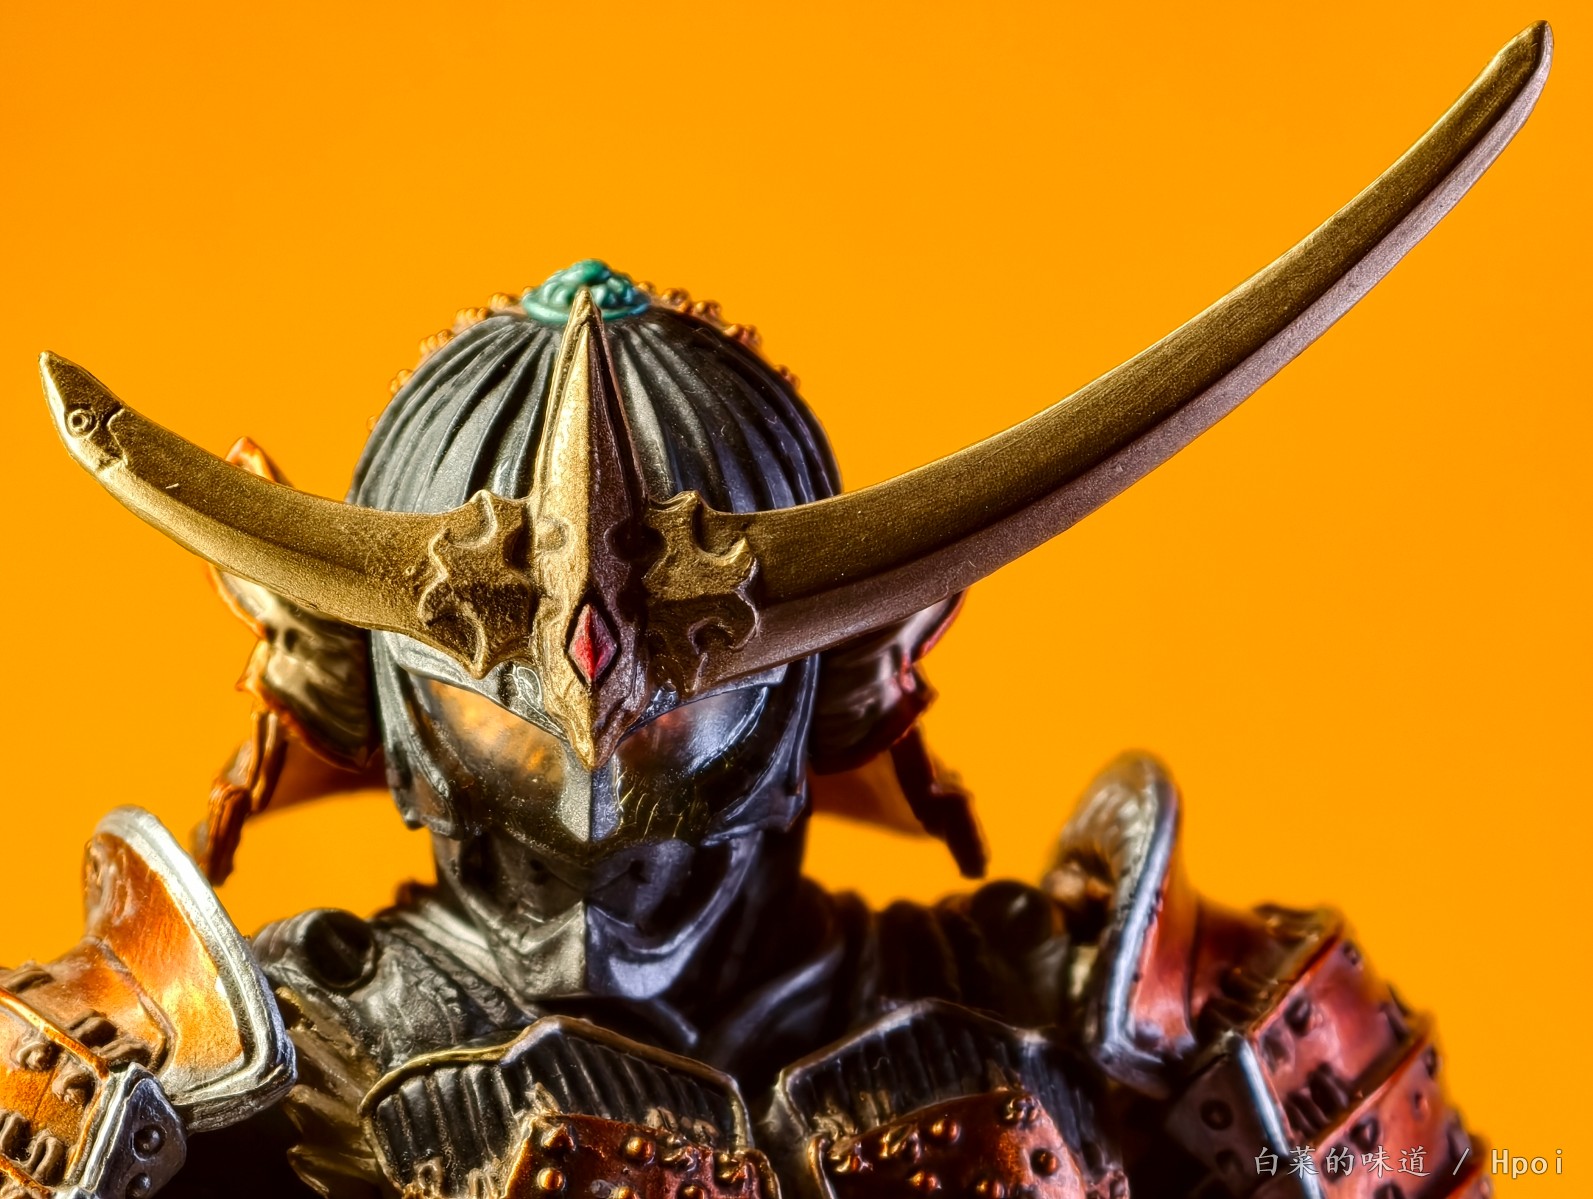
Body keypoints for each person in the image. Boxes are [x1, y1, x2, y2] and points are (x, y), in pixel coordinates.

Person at [5, 24, 1548, 1199]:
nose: (593, 764)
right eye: (500, 697)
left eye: (684, 692)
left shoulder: (1137, 1012)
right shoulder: (181, 1065)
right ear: (379, 701)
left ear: (838, 680)